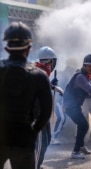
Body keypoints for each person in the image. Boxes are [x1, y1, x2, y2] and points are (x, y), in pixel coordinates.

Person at [0, 22, 52, 169]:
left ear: (6, 48)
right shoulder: (40, 76)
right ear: (29, 48)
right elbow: (46, 112)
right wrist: (33, 131)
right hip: (24, 139)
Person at [63, 54, 91, 159]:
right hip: (70, 106)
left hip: (75, 106)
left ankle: (81, 146)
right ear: (84, 66)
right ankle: (76, 151)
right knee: (84, 125)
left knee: (82, 125)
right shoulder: (80, 77)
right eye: (89, 66)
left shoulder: (86, 76)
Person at [35, 46, 63, 169]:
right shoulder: (39, 71)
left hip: (42, 112)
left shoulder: (41, 71)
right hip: (38, 113)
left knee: (46, 139)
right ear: (50, 61)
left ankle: (37, 164)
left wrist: (51, 86)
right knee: (42, 142)